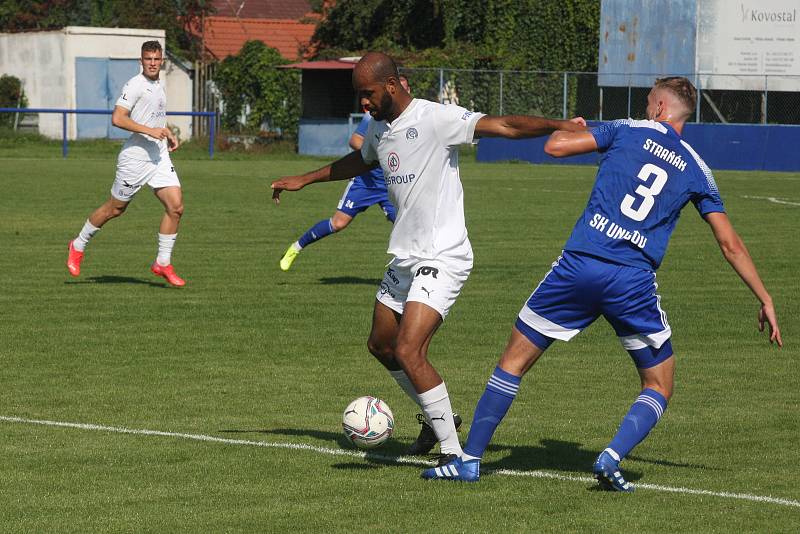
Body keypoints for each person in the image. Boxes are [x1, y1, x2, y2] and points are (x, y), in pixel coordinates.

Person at [422, 77, 783, 489]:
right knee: (659, 384)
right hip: (631, 280)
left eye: (650, 103)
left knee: (513, 363)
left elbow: (554, 147)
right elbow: (729, 243)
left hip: (579, 265)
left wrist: (574, 126)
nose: (647, 109)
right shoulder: (699, 169)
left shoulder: (627, 128)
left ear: (661, 107)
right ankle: (611, 456)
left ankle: (469, 460)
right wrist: (765, 297)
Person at [271, 52, 586, 462]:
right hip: (406, 254)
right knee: (381, 345)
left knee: (408, 349)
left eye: (366, 94)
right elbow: (362, 159)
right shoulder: (379, 127)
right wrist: (306, 179)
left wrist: (560, 124)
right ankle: (441, 420)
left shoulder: (436, 117)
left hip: (444, 253)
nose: (361, 103)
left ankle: (456, 456)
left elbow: (503, 125)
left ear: (390, 85)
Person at [66, 40, 185, 287]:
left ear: (161, 61)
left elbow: (154, 118)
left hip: (159, 156)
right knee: (115, 209)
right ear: (140, 61)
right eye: (148, 59)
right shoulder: (134, 85)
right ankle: (78, 244)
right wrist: (149, 131)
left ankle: (162, 263)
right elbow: (118, 118)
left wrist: (166, 132)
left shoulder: (159, 85)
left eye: (156, 59)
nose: (152, 63)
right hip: (135, 159)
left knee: (176, 208)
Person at [278, 76, 411, 272]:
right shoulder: (375, 116)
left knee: (404, 223)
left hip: (390, 184)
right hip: (364, 182)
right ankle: (296, 248)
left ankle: (408, 270)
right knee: (338, 223)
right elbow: (355, 140)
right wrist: (378, 151)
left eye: (405, 88)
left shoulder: (413, 117)